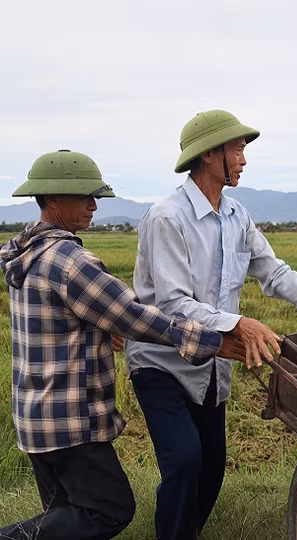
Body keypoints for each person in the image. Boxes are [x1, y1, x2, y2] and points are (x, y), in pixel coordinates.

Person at [126, 109, 297, 540]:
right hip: (161, 361)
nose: (244, 158)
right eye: (238, 148)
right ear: (209, 155)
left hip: (211, 365)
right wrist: (239, 323)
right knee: (185, 459)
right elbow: (172, 303)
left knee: (210, 469)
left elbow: (276, 275)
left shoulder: (236, 217)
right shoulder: (167, 217)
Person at [0, 150, 242, 540]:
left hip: (35, 417)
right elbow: (134, 315)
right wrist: (213, 341)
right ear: (50, 200)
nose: (94, 206)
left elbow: (68, 319)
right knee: (108, 509)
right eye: (84, 197)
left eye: (95, 197)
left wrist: (100, 329)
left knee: (63, 516)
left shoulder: (27, 255)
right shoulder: (70, 261)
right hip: (70, 420)